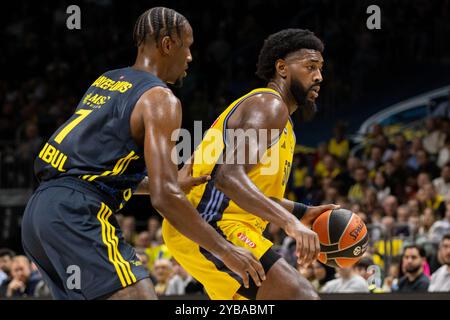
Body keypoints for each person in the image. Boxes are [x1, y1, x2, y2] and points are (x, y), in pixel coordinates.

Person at [21, 7, 264, 300]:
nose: (190, 57)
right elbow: (166, 198)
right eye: (187, 46)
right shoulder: (161, 99)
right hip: (76, 212)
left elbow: (95, 170)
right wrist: (225, 251)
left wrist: (166, 183)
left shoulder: (107, 80)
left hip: (39, 214)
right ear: (167, 45)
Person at [163, 28, 338, 300]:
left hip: (226, 224)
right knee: (300, 295)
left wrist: (301, 211)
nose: (318, 77)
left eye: (320, 68)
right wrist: (291, 224)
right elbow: (228, 177)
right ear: (282, 68)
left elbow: (245, 192)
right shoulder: (269, 106)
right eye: (310, 67)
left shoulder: (283, 123)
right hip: (208, 224)